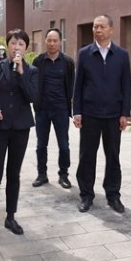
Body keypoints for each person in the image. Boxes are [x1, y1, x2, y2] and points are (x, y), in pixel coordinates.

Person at [0, 30, 38, 243]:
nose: (16, 47)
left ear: (26, 48)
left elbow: (32, 97)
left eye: (21, 44)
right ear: (7, 45)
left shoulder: (31, 70)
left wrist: (21, 73)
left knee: (14, 174)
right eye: (13, 43)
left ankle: (10, 217)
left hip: (21, 128)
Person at [73, 14, 131, 213]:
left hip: (114, 115)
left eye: (102, 26)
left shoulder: (122, 55)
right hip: (90, 113)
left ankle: (113, 195)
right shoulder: (85, 53)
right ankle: (86, 195)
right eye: (95, 27)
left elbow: (126, 85)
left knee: (113, 156)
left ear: (111, 30)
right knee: (87, 156)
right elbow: (78, 85)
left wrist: (124, 113)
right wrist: (77, 111)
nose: (97, 30)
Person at [31, 28, 75, 189]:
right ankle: (42, 174)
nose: (51, 43)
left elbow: (72, 85)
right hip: (42, 110)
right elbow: (32, 83)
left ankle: (63, 175)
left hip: (61, 110)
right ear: (45, 41)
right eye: (49, 40)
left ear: (60, 42)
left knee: (64, 145)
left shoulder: (68, 62)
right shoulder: (38, 61)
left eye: (55, 40)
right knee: (41, 144)